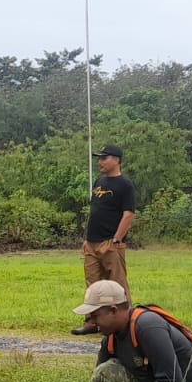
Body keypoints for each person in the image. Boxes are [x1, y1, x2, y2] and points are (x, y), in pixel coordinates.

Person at [73, 143, 136, 335]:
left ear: (116, 160)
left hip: (110, 243)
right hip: (92, 242)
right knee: (93, 285)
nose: (100, 162)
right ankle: (92, 322)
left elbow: (128, 214)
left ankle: (128, 323)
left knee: (117, 285)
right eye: (99, 158)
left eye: (104, 158)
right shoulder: (99, 182)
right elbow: (95, 212)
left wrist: (117, 239)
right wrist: (86, 238)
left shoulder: (125, 185)